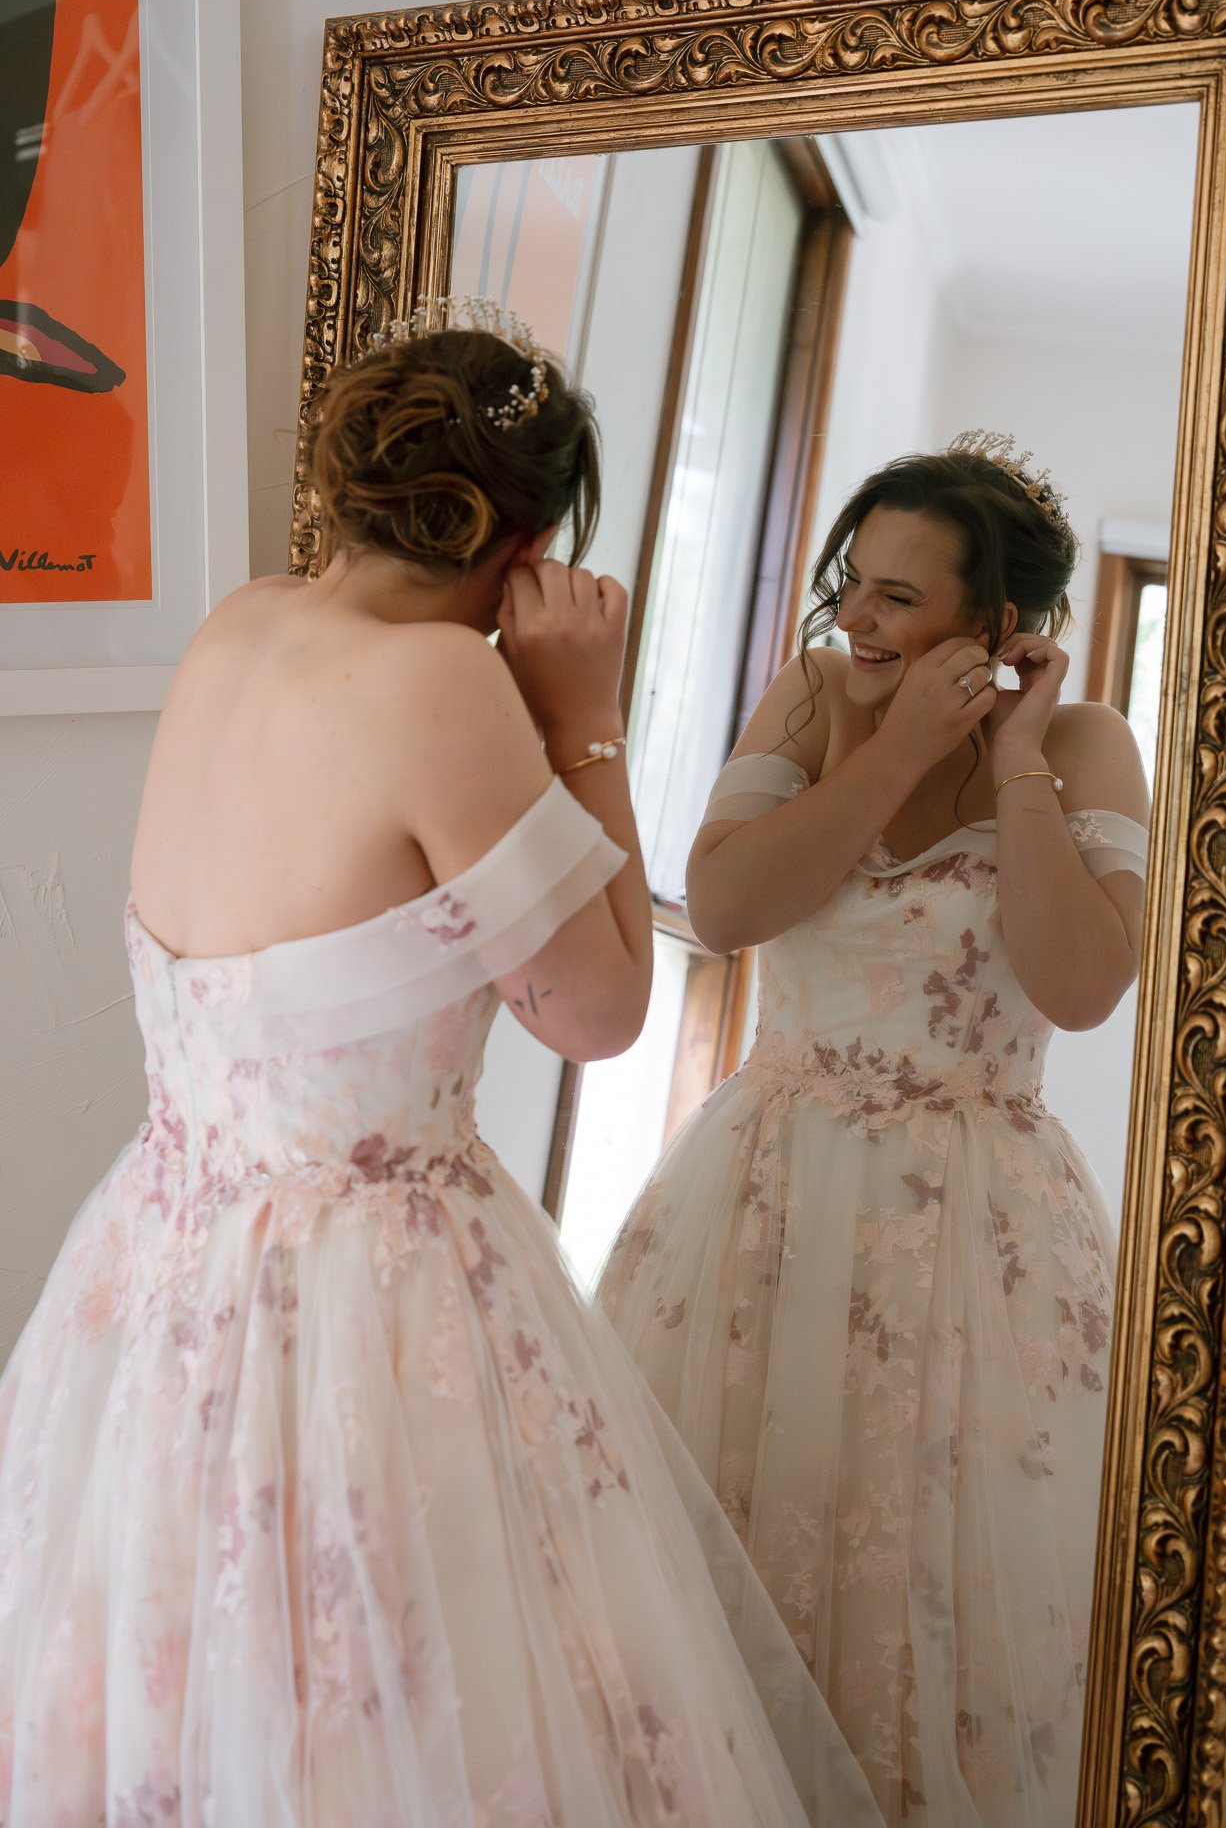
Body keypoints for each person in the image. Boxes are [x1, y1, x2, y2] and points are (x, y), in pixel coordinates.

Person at [0, 302, 882, 1827]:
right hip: (368, 1290)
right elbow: (598, 1011)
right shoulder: (439, 686)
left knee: (191, 1688)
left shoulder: (238, 624)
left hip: (161, 1266)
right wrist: (586, 720)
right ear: (524, 542)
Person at [597, 440, 1150, 1827]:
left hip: (978, 1217)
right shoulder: (809, 699)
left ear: (1001, 624)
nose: (859, 618)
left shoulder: (1085, 747)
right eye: (855, 582)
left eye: (901, 599)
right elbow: (724, 914)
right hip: (763, 1193)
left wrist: (1011, 761)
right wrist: (891, 743)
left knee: (945, 1596)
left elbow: (1078, 986)